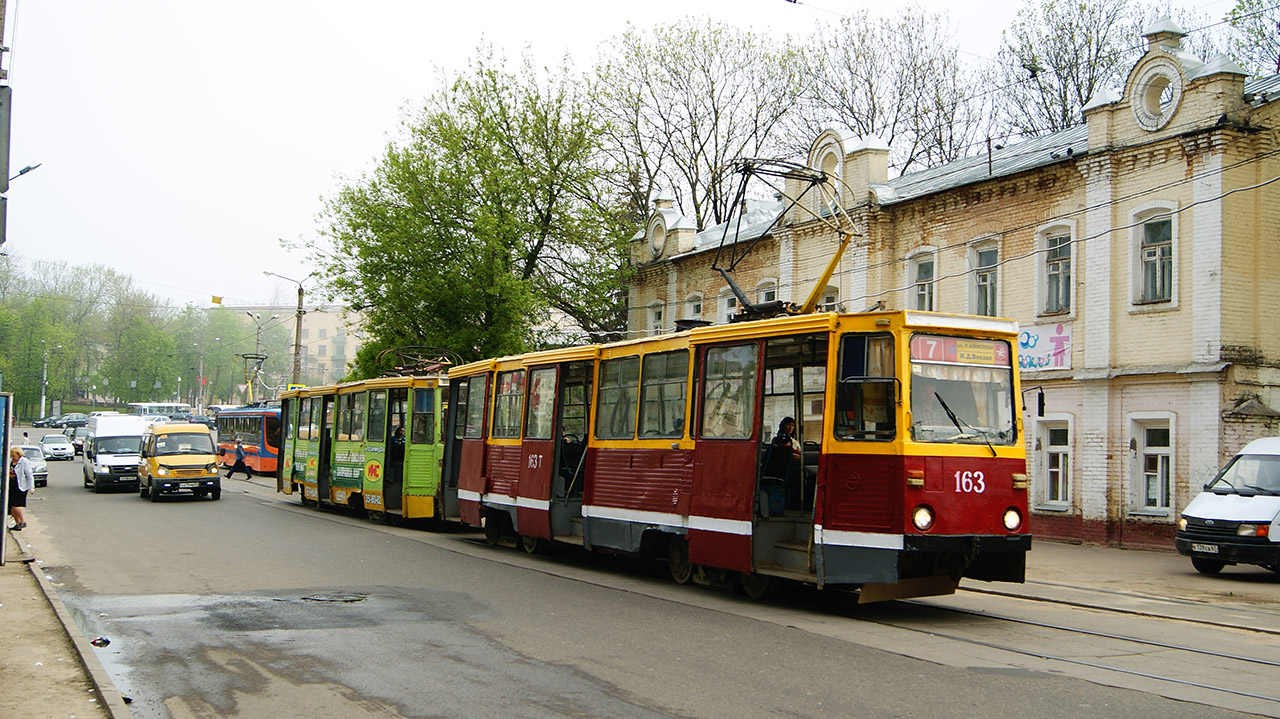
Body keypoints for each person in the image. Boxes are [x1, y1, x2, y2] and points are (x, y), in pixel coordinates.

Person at [8, 446, 34, 531]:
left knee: (16, 505)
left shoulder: (24, 462)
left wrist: (31, 487)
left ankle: (23, 521)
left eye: (14, 455)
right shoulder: (10, 461)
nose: (13, 457)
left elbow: (29, 475)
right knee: (11, 506)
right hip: (11, 486)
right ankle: (17, 523)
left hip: (20, 486)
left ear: (19, 454)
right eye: (11, 455)